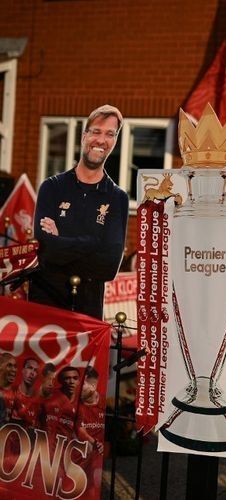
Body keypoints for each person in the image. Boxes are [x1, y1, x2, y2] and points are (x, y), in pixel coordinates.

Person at [29, 104, 129, 319]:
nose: (101, 140)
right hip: (45, 307)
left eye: (110, 134)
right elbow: (45, 251)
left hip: (87, 314)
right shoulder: (52, 187)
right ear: (84, 136)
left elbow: (109, 266)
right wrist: (93, 243)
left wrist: (61, 240)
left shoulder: (117, 197)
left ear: (115, 141)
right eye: (96, 132)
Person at [11, 357, 40, 428]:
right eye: (30, 368)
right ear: (23, 370)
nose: (32, 373)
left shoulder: (39, 401)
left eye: (35, 370)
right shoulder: (11, 392)